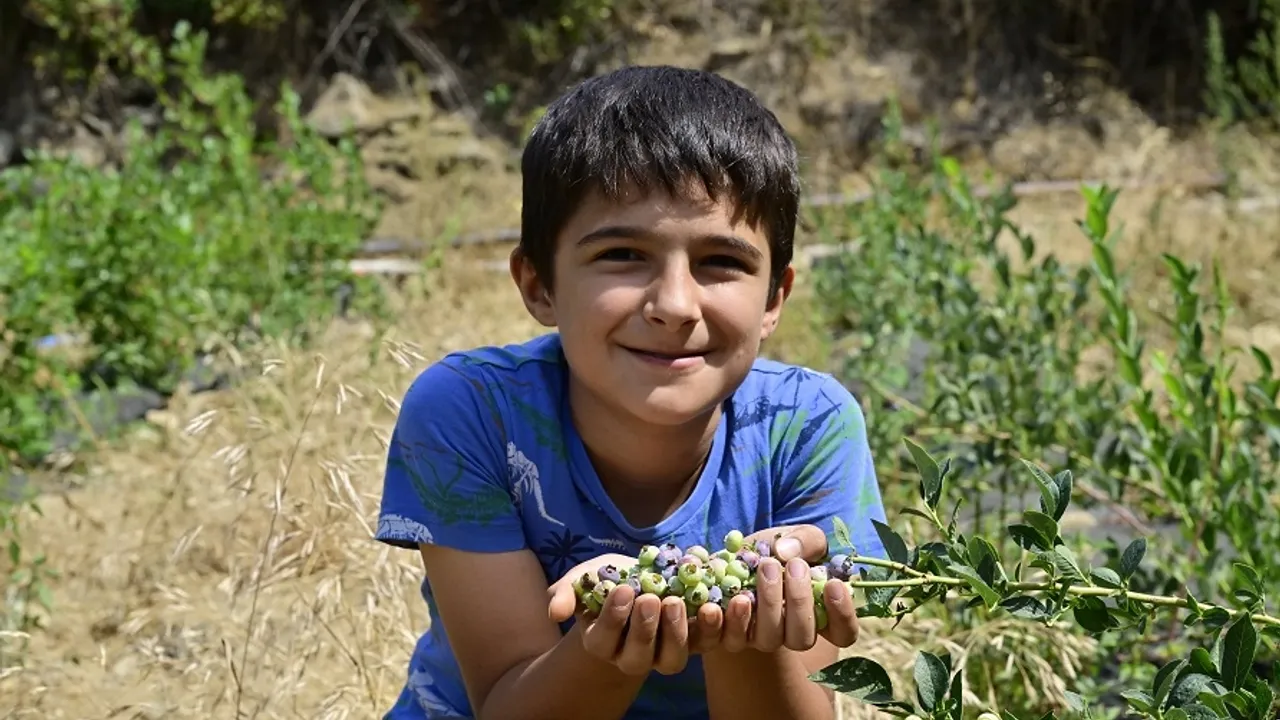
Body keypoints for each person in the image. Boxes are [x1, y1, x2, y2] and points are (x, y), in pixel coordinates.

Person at [373, 64, 890, 720]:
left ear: (773, 299)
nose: (674, 305)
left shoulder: (809, 424)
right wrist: (614, 635)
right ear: (538, 285)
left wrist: (740, 624)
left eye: (721, 262)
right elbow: (506, 704)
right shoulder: (469, 411)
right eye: (622, 255)